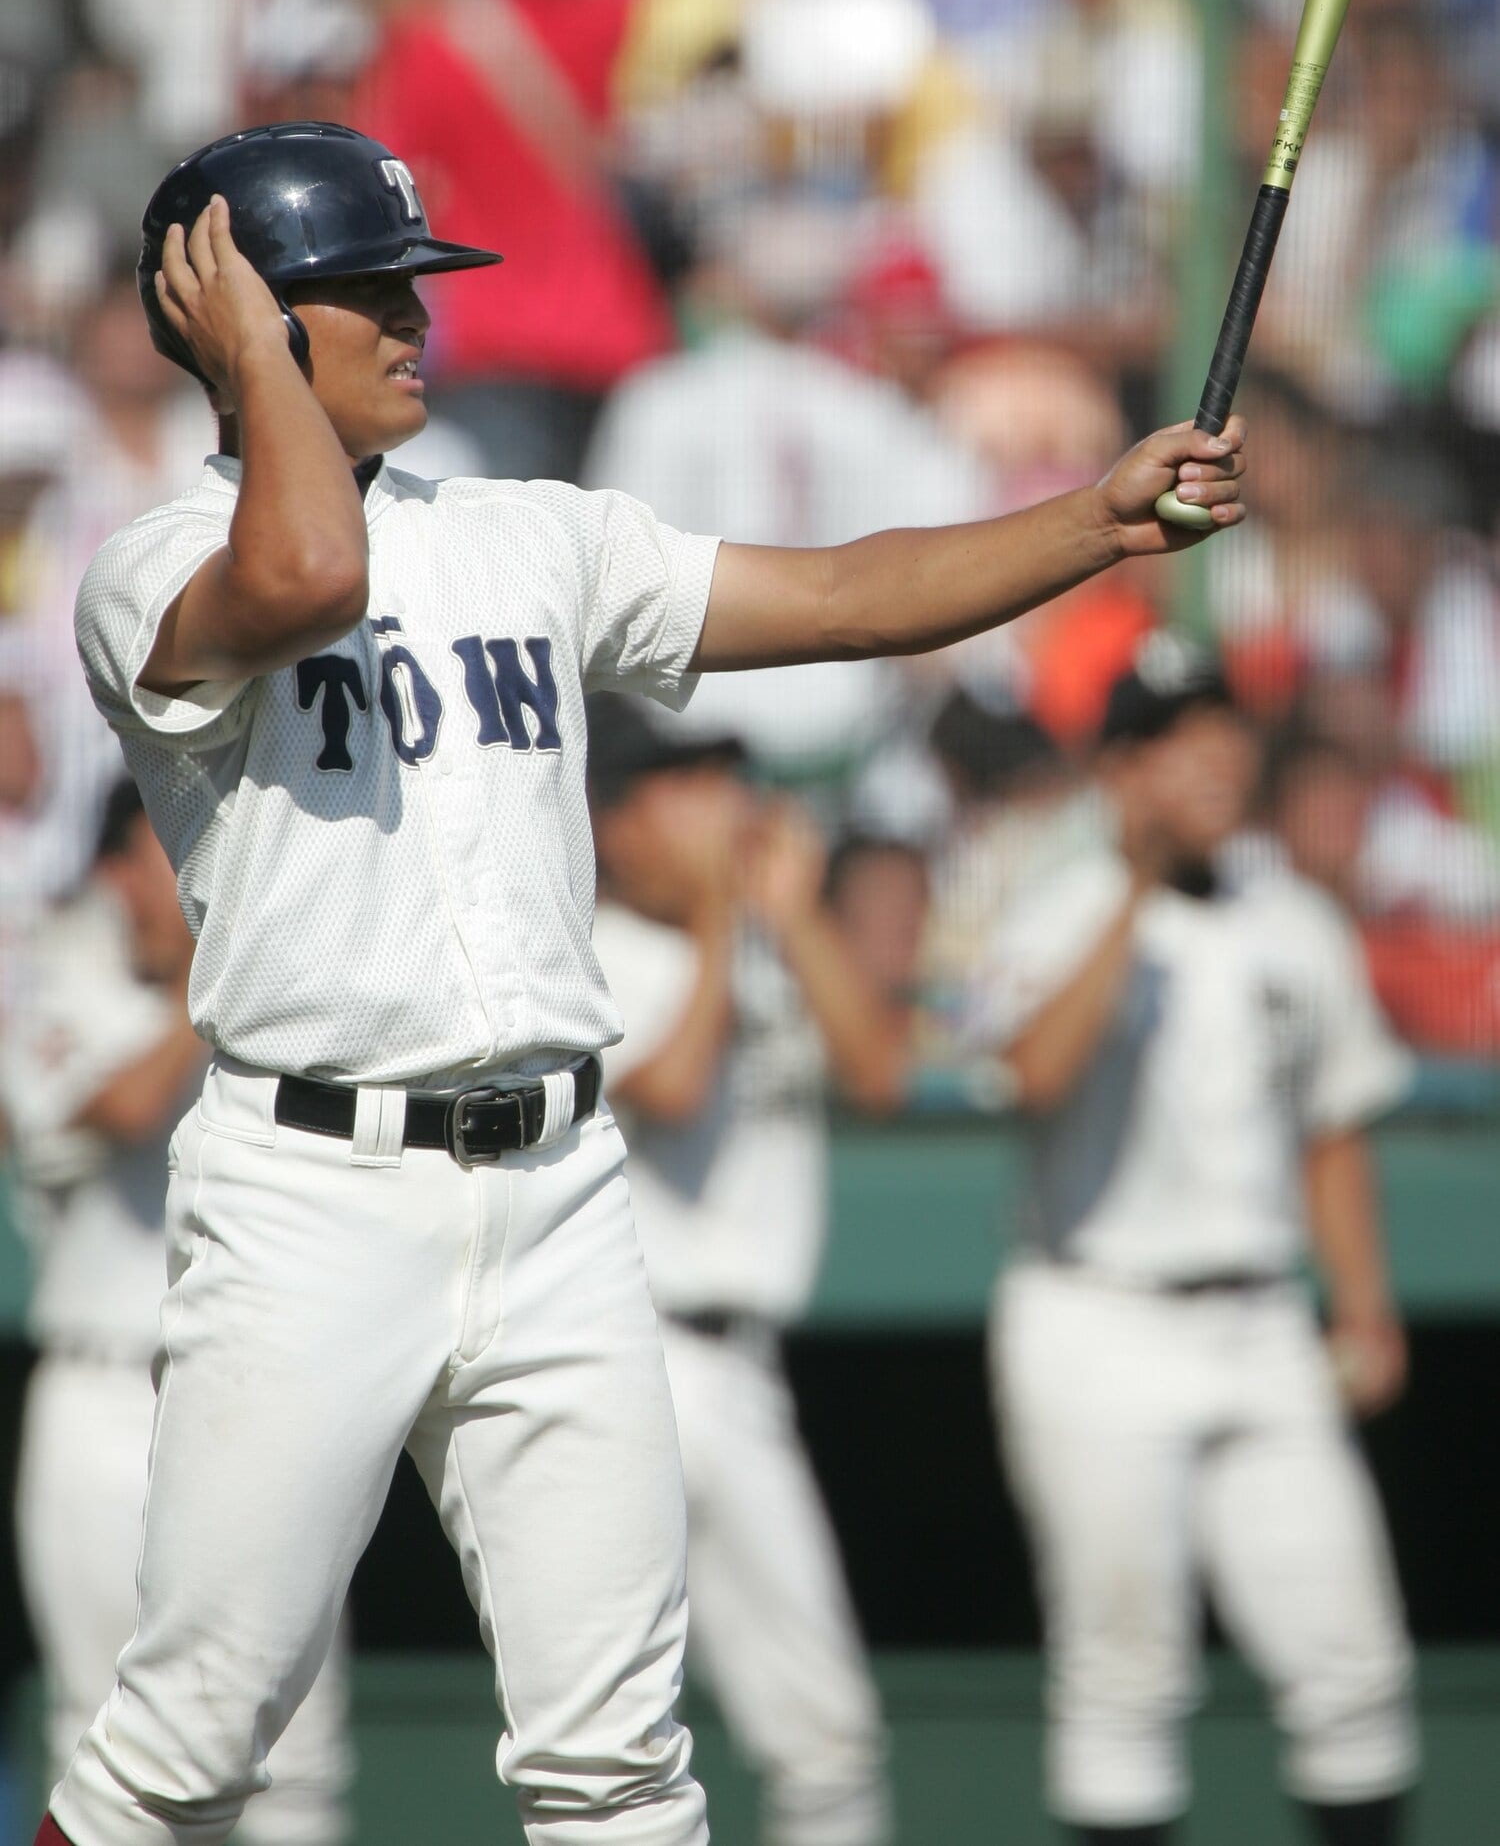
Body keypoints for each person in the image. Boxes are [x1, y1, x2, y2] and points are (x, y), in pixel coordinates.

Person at [46, 116, 1244, 1846]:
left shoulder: (530, 533)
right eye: (366, 291)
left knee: (619, 1768)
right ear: (245, 317)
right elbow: (308, 574)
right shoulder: (150, 562)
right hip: (311, 1190)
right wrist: (243, 349)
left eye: (413, 286)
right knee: (187, 1749)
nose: (416, 319)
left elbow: (842, 598)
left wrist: (1090, 526)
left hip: (557, 1189)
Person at [969, 634, 1418, 1846]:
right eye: (1174, 737)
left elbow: (1333, 1127)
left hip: (1263, 1318)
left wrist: (1365, 1304)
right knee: (1126, 1680)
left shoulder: (1293, 918)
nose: (1213, 756)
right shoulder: (1062, 903)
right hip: (1096, 1314)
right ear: (1119, 770)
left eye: (1222, 727)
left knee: (1355, 1668)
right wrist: (1134, 883)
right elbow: (1032, 1075)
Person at [2, 778, 349, 1845]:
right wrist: (232, 961)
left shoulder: (284, 982)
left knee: (294, 1766)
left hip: (263, 1399)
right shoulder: (56, 969)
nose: (208, 874)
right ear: (114, 867)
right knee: (103, 1752)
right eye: (179, 848)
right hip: (103, 1391)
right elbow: (119, 1105)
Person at [588, 701, 904, 1846]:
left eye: (728, 783)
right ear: (614, 823)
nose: (725, 809)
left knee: (826, 1741)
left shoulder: (758, 940)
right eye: (687, 788)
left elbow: (880, 1073)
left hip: (742, 1372)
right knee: (606, 1750)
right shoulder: (583, 945)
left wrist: (791, 915)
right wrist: (732, 910)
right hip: (630, 1365)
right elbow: (668, 1088)